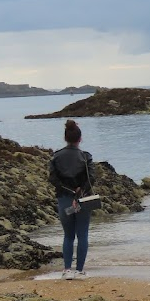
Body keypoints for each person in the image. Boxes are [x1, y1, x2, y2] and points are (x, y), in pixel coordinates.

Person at [49, 119, 95, 279]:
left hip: (64, 200)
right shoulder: (85, 156)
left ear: (65, 138)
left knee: (68, 235)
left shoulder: (56, 156)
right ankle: (80, 270)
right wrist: (79, 192)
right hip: (82, 200)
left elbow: (53, 180)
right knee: (82, 235)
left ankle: (67, 270)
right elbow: (91, 180)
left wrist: (70, 192)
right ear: (80, 139)